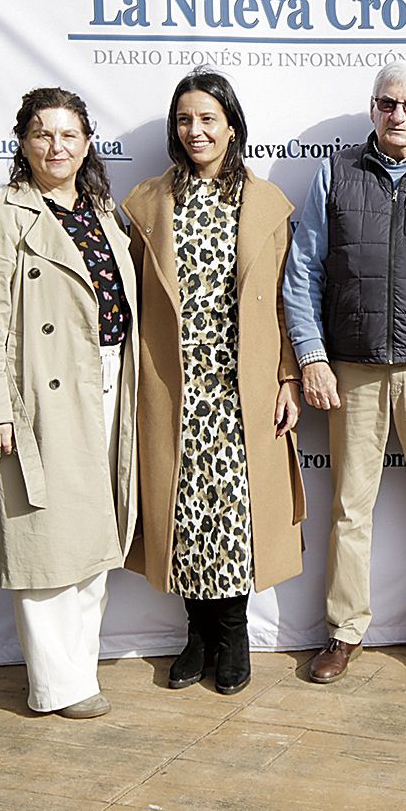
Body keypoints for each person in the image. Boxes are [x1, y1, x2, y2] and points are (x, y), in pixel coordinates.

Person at [283, 63, 406, 683]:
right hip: (353, 367)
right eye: (389, 104)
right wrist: (311, 354)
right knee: (348, 507)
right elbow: (304, 270)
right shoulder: (335, 173)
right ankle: (343, 631)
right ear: (372, 109)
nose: (400, 116)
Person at [122, 69, 306, 696]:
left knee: (235, 511)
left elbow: (288, 299)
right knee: (183, 508)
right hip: (174, 384)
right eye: (184, 120)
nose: (195, 131)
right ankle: (195, 635)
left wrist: (287, 374)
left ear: (231, 126)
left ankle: (232, 634)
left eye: (207, 119)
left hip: (239, 386)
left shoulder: (266, 202)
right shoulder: (146, 202)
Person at [0, 88, 139, 719]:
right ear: (24, 143)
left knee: (94, 535)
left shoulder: (102, 212)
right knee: (48, 537)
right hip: (42, 391)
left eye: (69, 134)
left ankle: (79, 673)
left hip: (109, 380)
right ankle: (56, 686)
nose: (56, 146)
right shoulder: (0, 215)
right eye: (43, 134)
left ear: (87, 142)